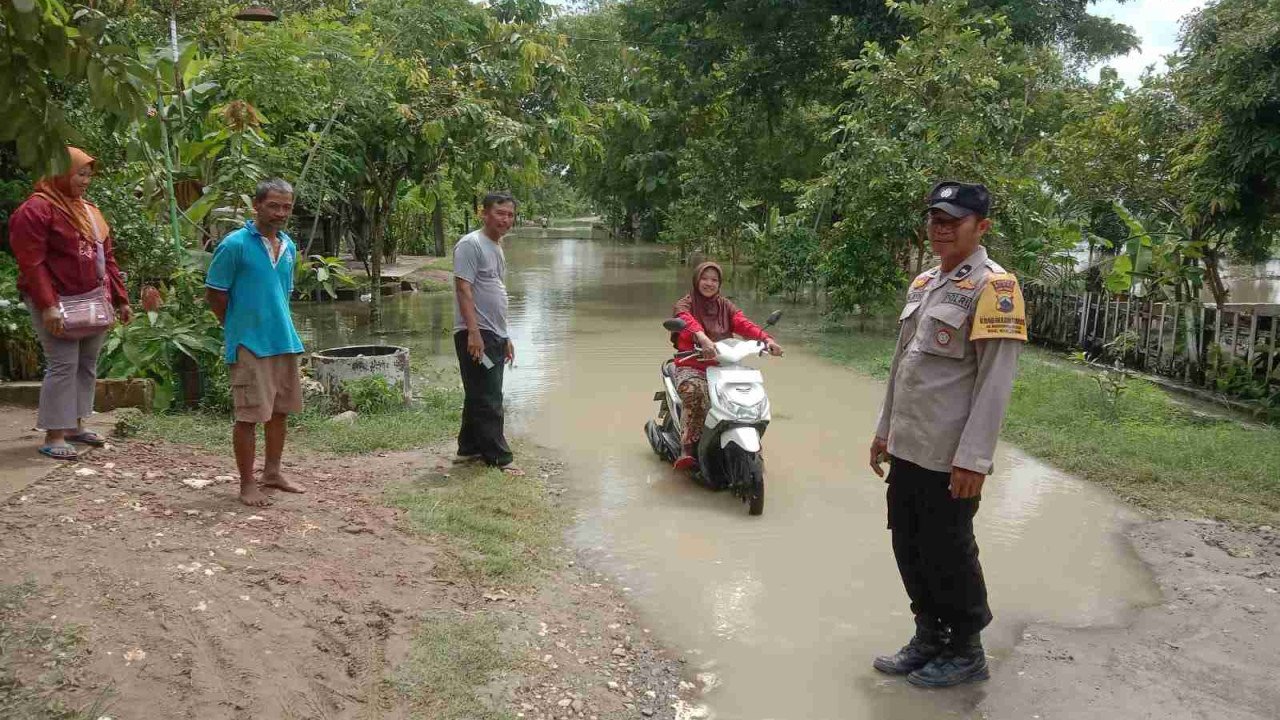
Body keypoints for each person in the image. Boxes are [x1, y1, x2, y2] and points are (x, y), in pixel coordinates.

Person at [868, 181, 1028, 688]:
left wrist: (974, 459)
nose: (939, 228)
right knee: (908, 542)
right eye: (935, 218)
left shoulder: (996, 289)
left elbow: (994, 383)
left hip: (948, 454)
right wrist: (883, 431)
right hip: (908, 445)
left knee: (949, 548)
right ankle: (928, 635)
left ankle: (965, 647)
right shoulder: (923, 285)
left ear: (981, 227)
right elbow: (902, 367)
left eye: (952, 220)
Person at [8, 147, 133, 460]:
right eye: (80, 173)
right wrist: (48, 305)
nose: (85, 180)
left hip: (92, 299)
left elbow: (109, 258)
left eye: (89, 174)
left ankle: (76, 425)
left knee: (87, 363)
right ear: (61, 172)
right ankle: (54, 433)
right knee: (63, 363)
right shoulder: (36, 210)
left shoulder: (88, 210)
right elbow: (32, 262)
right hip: (55, 299)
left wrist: (121, 299)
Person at [205, 178, 306, 507]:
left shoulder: (288, 247)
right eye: (273, 205)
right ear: (257, 206)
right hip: (249, 342)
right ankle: (247, 483)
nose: (280, 213)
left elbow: (284, 294)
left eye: (286, 207)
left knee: (280, 411)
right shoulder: (234, 245)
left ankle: (272, 472)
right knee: (249, 415)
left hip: (283, 340)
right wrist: (235, 327)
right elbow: (215, 293)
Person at [670, 261, 783, 470]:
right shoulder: (685, 304)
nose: (709, 283)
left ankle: (750, 446)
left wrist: (767, 340)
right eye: (705, 278)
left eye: (714, 280)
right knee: (696, 393)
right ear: (696, 280)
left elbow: (743, 324)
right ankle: (686, 447)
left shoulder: (725, 306)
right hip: (692, 364)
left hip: (724, 366)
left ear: (720, 284)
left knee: (748, 395)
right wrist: (703, 339)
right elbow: (686, 322)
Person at [453, 191, 523, 476]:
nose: (505, 220)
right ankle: (499, 458)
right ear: (484, 213)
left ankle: (469, 448)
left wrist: (504, 336)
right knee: (489, 395)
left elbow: (495, 291)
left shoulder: (496, 246)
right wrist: (473, 333)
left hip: (492, 333)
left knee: (479, 391)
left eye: (510, 215)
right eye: (499, 213)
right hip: (476, 334)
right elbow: (463, 288)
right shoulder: (470, 245)